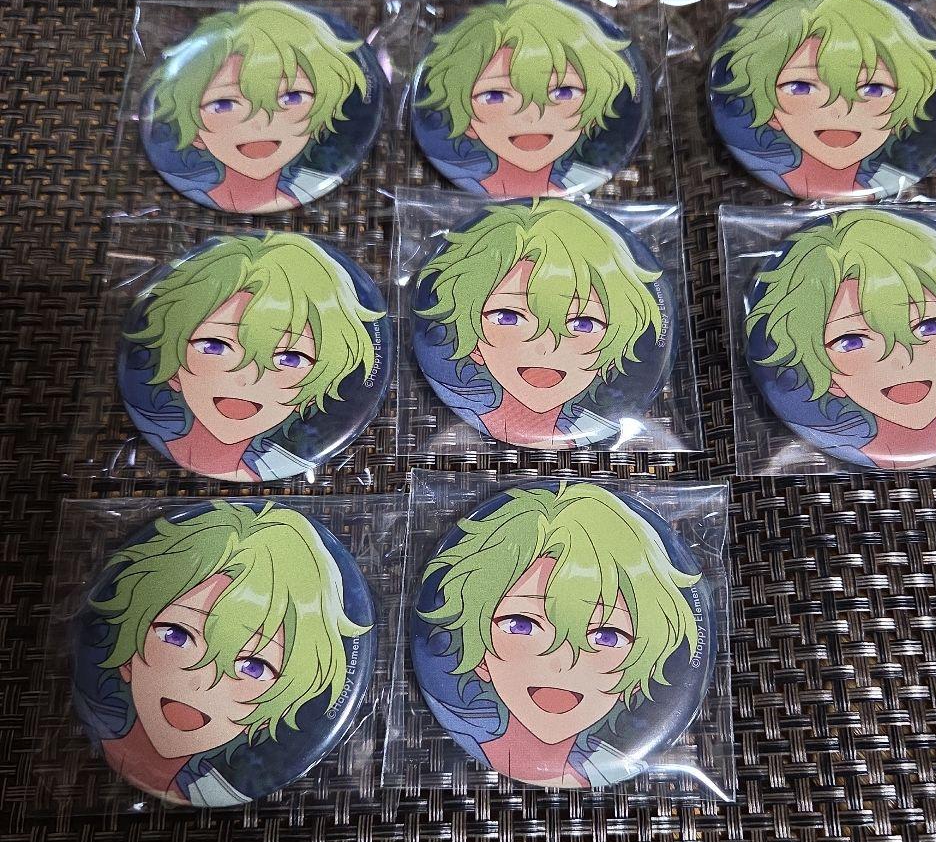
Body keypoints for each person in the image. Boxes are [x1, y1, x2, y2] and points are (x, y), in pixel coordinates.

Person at [418, 483, 701, 787]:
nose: (561, 662)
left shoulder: (614, 762)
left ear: (639, 666)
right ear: (481, 657)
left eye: (606, 636)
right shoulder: (445, 742)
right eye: (521, 625)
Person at [83, 502, 366, 806]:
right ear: (129, 655)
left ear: (278, 705)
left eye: (254, 667)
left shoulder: (228, 788)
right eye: (176, 635)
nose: (200, 682)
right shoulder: (93, 723)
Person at [746, 211, 936, 469]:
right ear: (831, 379)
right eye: (852, 342)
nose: (902, 360)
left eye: (929, 327)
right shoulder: (823, 439)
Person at [125, 233, 382, 482]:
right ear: (174, 369)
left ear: (315, 388)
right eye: (214, 346)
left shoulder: (286, 459)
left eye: (290, 359)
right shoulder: (149, 426)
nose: (246, 378)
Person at [415, 198, 663, 448]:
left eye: (583, 324)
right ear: (475, 344)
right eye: (508, 317)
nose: (546, 347)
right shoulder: (460, 418)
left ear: (613, 345)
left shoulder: (602, 425)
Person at [713, 0, 936, 199]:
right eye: (800, 87)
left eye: (873, 89)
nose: (839, 110)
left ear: (903, 113)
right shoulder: (762, 167)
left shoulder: (895, 175)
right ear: (772, 113)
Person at [145, 0, 371, 213]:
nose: (260, 123)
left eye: (292, 98)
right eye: (223, 104)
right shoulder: (186, 186)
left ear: (319, 119)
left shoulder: (310, 182)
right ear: (196, 134)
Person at [416, 0, 639, 196]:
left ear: (591, 114)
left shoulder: (587, 174)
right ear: (468, 123)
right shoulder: (462, 174)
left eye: (563, 92)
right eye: (494, 96)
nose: (532, 116)